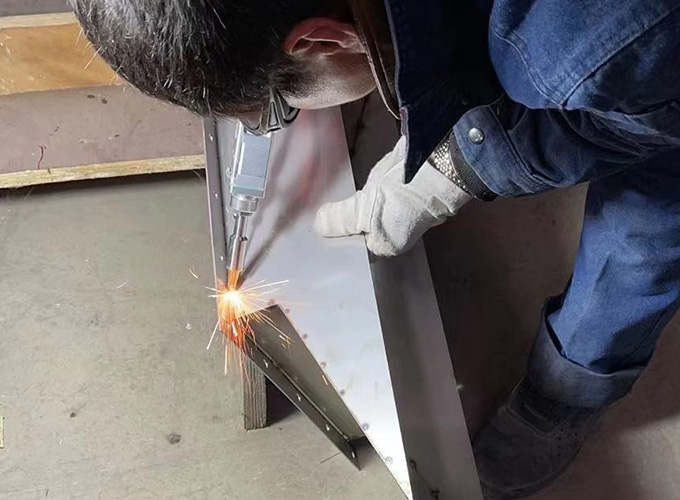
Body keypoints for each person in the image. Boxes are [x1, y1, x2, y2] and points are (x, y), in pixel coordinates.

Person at [70, 0, 680, 498]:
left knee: (643, 227)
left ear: (323, 41)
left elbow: (639, 115)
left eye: (280, 108)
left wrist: (469, 160)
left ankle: (569, 391)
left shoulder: (575, 47)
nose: (284, 118)